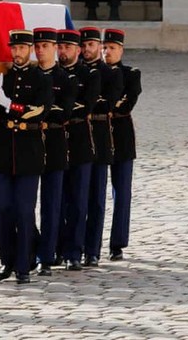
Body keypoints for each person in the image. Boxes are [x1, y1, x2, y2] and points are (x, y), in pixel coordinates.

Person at [0, 29, 52, 284]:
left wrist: (7, 104)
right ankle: (7, 261)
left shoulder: (40, 78)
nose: (17, 53)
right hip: (3, 151)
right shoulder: (4, 77)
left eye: (22, 48)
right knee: (0, 208)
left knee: (24, 211)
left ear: (30, 49)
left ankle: (24, 265)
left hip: (28, 151)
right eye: (14, 49)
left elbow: (39, 110)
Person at [33, 28, 77, 277]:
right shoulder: (27, 75)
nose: (40, 50)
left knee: (52, 204)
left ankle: (46, 256)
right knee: (23, 205)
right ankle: (32, 245)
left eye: (46, 46)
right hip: (28, 145)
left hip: (55, 142)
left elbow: (65, 111)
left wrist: (36, 113)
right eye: (37, 46)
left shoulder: (66, 78)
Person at [56, 29, 100, 268]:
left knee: (79, 200)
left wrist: (60, 110)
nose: (63, 52)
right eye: (60, 47)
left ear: (77, 49)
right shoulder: (50, 74)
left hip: (80, 140)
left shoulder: (89, 74)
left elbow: (86, 106)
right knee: (56, 201)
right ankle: (58, 249)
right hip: (54, 142)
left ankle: (75, 251)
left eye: (68, 48)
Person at [80, 27, 122, 268]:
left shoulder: (110, 74)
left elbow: (107, 104)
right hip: (75, 138)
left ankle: (92, 249)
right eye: (84, 45)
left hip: (99, 137)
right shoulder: (74, 71)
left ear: (100, 46)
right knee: (73, 198)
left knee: (96, 197)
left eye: (92, 45)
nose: (87, 49)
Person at [104, 29, 142, 261]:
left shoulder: (131, 74)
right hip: (96, 137)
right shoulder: (93, 72)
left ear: (121, 50)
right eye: (104, 48)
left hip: (121, 137)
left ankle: (117, 243)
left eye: (112, 48)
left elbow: (126, 104)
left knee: (122, 192)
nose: (107, 52)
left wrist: (105, 106)